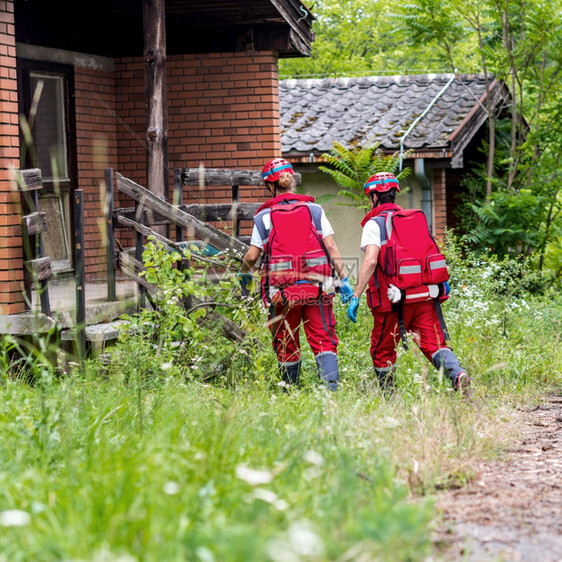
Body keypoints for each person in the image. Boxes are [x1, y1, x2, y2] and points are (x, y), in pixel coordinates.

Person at [347, 172, 471, 396]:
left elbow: (371, 260)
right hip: (424, 296)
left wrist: (356, 295)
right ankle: (457, 375)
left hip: (391, 302)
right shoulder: (414, 218)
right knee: (434, 344)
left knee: (382, 349)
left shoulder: (374, 224)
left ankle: (390, 397)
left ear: (374, 197)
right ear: (394, 194)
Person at [238, 158, 353, 390]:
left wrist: (244, 274)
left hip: (281, 294)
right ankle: (330, 391)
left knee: (286, 341)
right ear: (292, 181)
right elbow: (331, 247)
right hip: (318, 289)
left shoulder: (264, 217)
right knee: (323, 339)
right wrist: (345, 279)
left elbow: (252, 256)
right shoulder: (314, 210)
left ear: (271, 186)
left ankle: (291, 392)